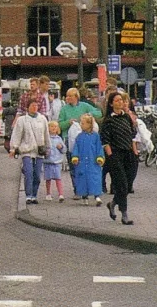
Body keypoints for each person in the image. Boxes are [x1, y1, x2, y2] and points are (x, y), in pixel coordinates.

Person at [58, 87, 102, 199]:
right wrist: (69, 122)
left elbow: (98, 113)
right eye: (67, 96)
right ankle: (77, 190)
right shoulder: (64, 109)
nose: (67, 98)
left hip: (86, 140)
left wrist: (89, 115)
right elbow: (60, 125)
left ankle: (89, 189)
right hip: (69, 139)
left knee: (87, 165)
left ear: (76, 97)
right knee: (74, 164)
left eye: (70, 96)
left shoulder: (84, 106)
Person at [101, 91, 137, 225]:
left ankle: (113, 203)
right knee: (121, 184)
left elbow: (132, 135)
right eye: (117, 100)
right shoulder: (108, 120)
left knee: (128, 185)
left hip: (128, 153)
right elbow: (105, 140)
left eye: (121, 100)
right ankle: (124, 213)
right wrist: (110, 155)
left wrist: (134, 151)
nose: (120, 102)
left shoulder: (126, 117)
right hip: (115, 154)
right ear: (111, 103)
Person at [8, 99, 50, 205]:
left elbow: (46, 134)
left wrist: (48, 148)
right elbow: (17, 134)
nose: (34, 107)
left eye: (36, 105)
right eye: (32, 105)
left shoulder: (42, 119)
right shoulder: (22, 120)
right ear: (28, 107)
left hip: (39, 151)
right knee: (28, 173)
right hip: (26, 150)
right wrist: (14, 148)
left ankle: (34, 195)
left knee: (37, 174)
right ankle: (28, 195)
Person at [71, 113, 105, 206]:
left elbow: (99, 147)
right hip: (82, 163)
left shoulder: (96, 136)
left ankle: (97, 196)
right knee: (83, 179)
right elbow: (76, 148)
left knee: (95, 178)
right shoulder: (79, 137)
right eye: (81, 123)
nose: (81, 125)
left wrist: (100, 157)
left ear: (90, 124)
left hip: (93, 162)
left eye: (83, 123)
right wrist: (75, 157)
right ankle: (84, 196)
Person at [43, 121, 66, 202]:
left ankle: (60, 194)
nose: (53, 128)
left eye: (55, 127)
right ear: (48, 128)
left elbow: (64, 150)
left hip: (57, 162)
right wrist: (45, 152)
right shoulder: (46, 138)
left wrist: (61, 147)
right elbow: (43, 148)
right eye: (51, 126)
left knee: (58, 178)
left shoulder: (59, 139)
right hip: (48, 161)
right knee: (48, 179)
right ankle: (48, 194)